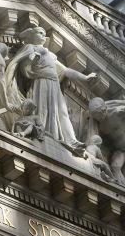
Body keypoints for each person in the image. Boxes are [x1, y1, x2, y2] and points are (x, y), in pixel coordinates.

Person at [5, 24, 96, 154]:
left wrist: (85, 77)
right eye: (39, 32)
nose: (43, 35)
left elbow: (65, 70)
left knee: (62, 112)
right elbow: (24, 68)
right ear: (31, 36)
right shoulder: (30, 48)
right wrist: (32, 61)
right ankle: (42, 134)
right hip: (40, 83)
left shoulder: (50, 55)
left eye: (43, 33)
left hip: (53, 84)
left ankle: (71, 141)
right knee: (43, 109)